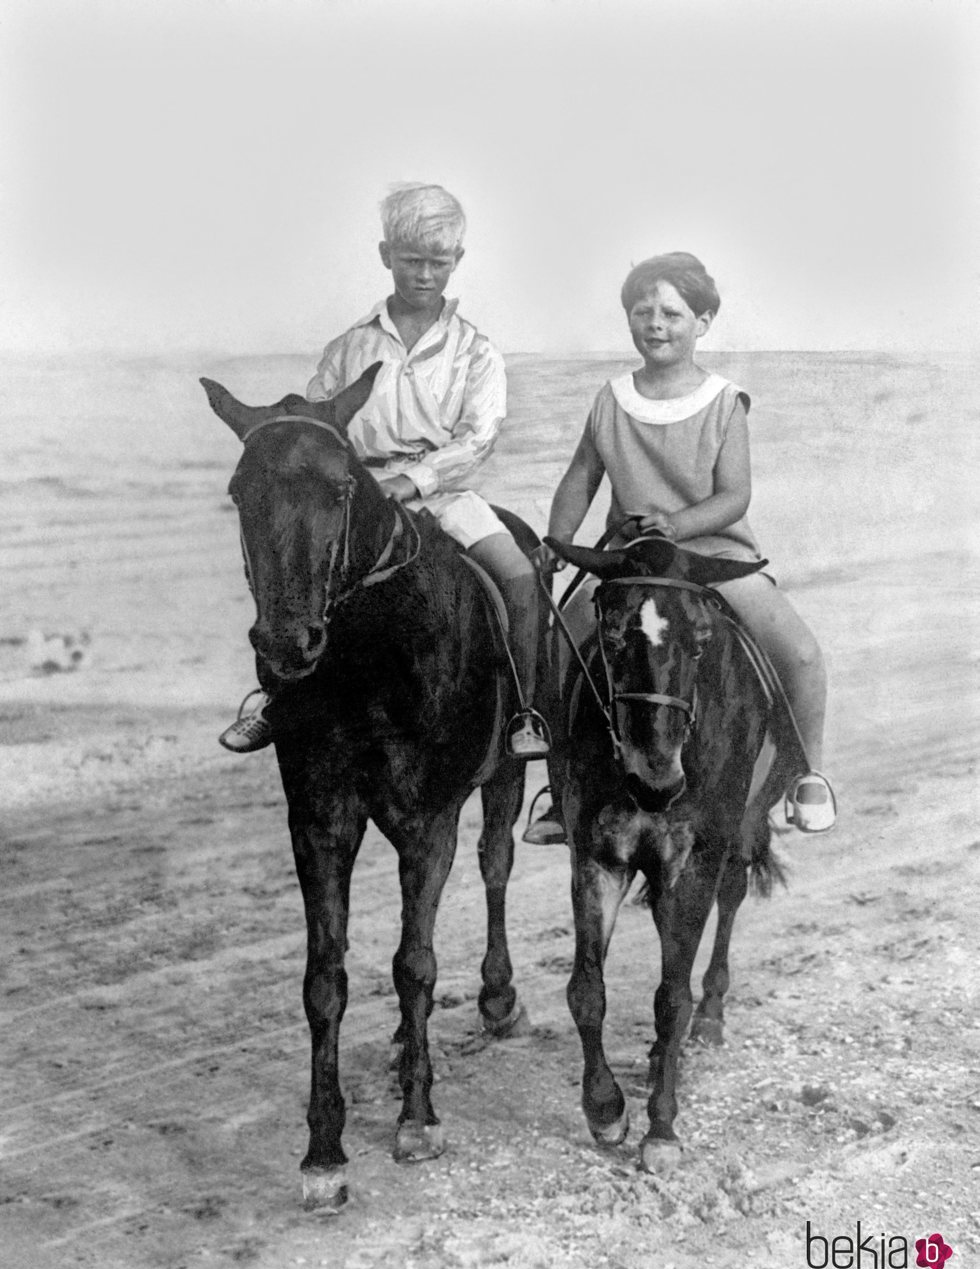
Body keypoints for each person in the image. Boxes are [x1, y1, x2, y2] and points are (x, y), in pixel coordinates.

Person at [220, 182, 550, 759]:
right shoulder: (348, 347)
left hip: (445, 497)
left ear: (457, 262)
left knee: (520, 579)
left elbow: (479, 438)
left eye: (437, 263)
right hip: (356, 498)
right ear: (385, 256)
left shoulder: (476, 352)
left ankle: (525, 711)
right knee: (294, 571)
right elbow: (319, 431)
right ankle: (278, 699)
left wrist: (414, 479)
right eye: (411, 261)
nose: (424, 274)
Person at [525, 251, 835, 839]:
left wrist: (677, 524)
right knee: (560, 642)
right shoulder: (611, 398)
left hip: (714, 556)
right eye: (643, 311)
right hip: (629, 558)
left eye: (672, 312)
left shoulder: (723, 400)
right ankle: (561, 788)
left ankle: (808, 775)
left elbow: (734, 496)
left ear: (704, 321)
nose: (656, 323)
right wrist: (558, 541)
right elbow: (580, 479)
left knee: (799, 654)